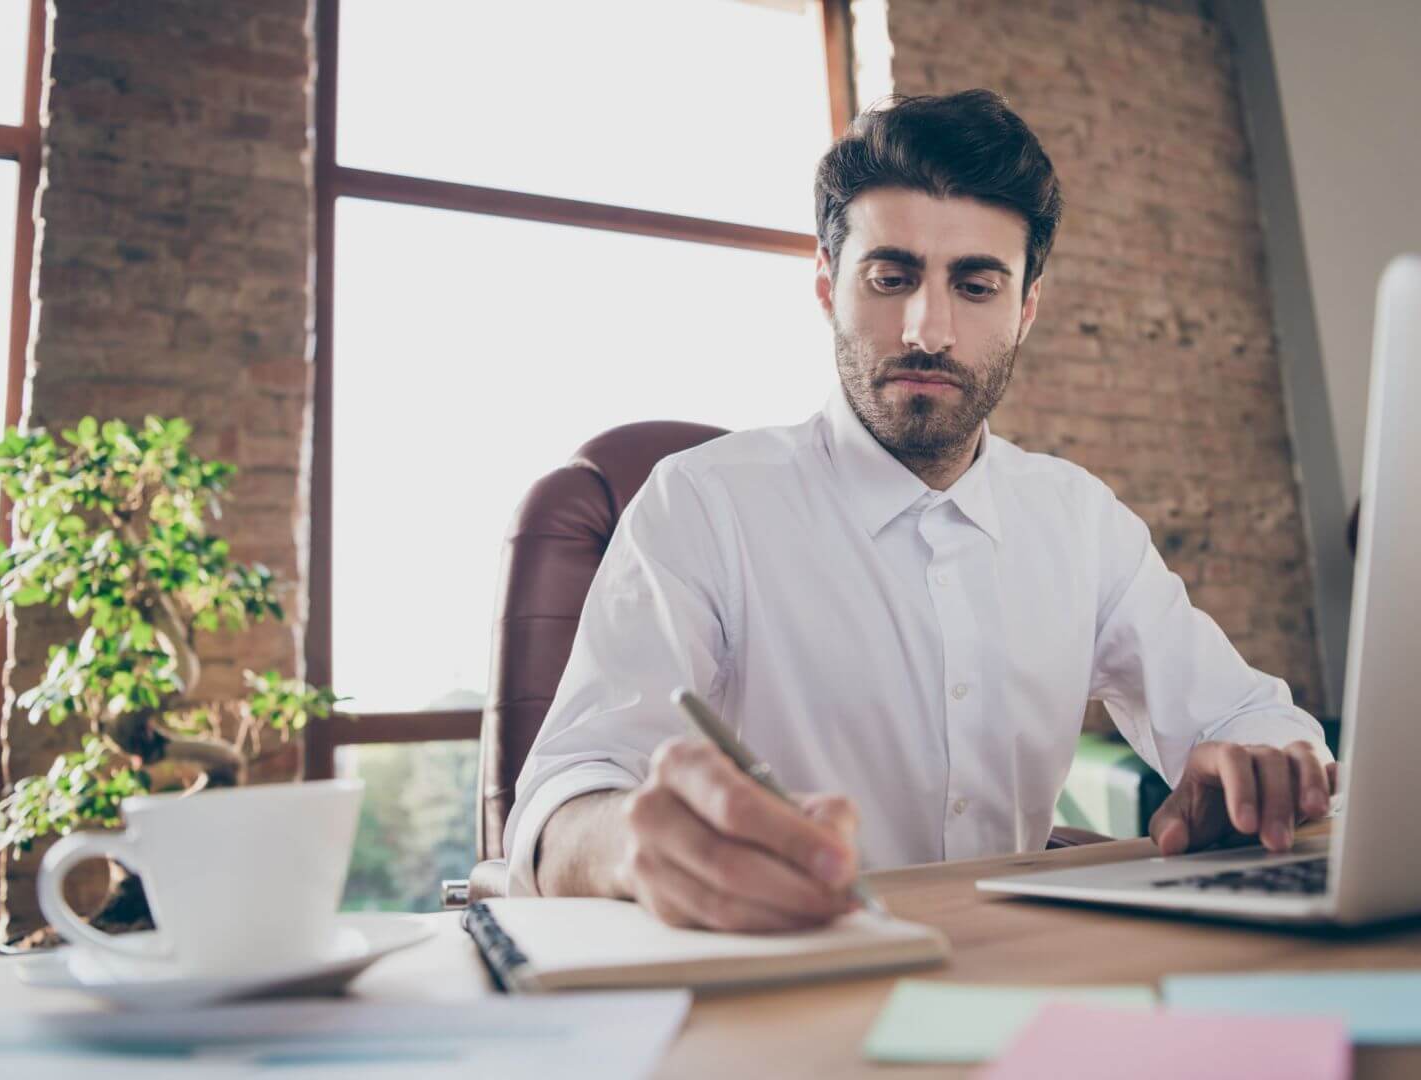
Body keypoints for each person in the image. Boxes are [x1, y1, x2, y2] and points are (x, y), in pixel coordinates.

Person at [503, 89, 1334, 932]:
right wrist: (630, 844)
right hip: (789, 984)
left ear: (1027, 310)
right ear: (828, 286)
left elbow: (1248, 716)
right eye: (890, 278)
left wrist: (1263, 760)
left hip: (1027, 975)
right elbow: (560, 802)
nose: (928, 329)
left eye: (976, 286)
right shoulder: (702, 503)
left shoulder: (1079, 520)